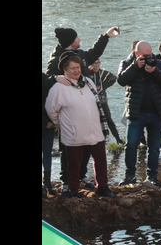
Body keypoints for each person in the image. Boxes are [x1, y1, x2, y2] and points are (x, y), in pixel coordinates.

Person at [45, 51, 114, 198]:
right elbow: (51, 110)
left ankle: (102, 186)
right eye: (72, 68)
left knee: (101, 160)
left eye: (78, 67)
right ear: (65, 70)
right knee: (74, 165)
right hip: (73, 133)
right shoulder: (58, 88)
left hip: (95, 130)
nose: (76, 70)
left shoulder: (88, 83)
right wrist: (63, 124)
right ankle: (73, 190)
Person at [117, 41, 161, 186]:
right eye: (144, 56)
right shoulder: (126, 63)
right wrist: (136, 66)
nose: (148, 58)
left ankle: (152, 177)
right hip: (136, 113)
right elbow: (121, 80)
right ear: (136, 54)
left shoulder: (159, 64)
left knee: (154, 147)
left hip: (156, 113)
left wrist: (154, 71)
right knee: (130, 145)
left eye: (150, 55)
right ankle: (130, 175)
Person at [84, 59, 120, 144]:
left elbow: (113, 78)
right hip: (91, 101)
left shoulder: (103, 73)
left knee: (109, 119)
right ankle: (94, 139)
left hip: (102, 99)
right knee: (93, 121)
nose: (96, 65)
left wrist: (103, 86)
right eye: (94, 63)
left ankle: (118, 139)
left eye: (98, 63)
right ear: (91, 64)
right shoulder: (87, 73)